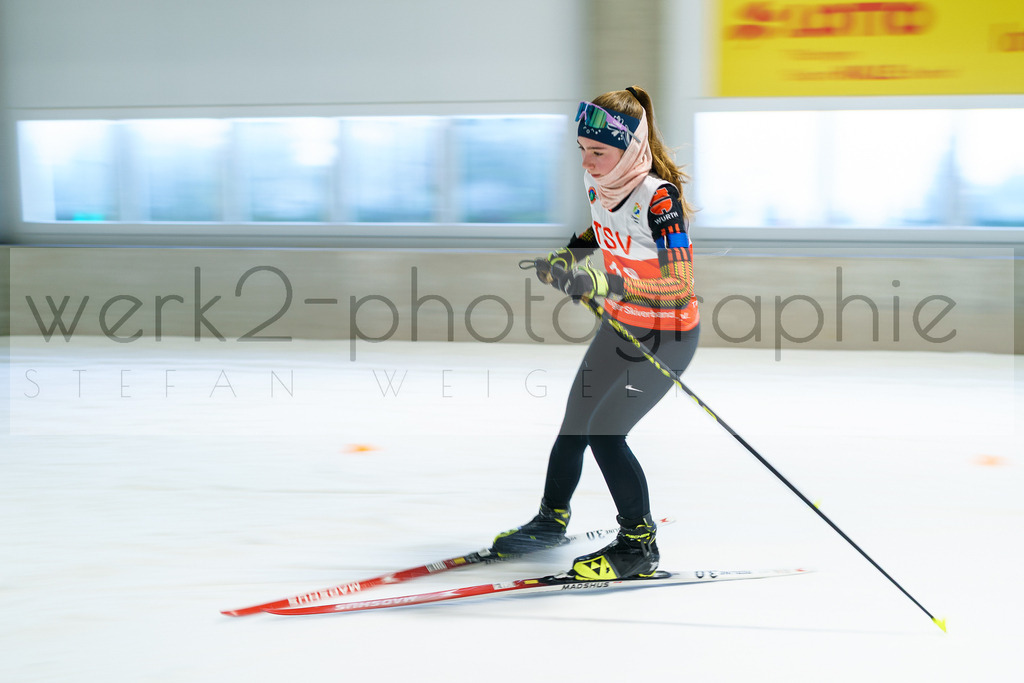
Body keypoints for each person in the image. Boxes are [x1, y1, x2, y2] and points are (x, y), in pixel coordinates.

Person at [492, 86, 700, 580]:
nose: (587, 162)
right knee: (576, 421)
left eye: (598, 152)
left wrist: (610, 282)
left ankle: (638, 546)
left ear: (630, 149)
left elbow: (680, 284)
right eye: (582, 149)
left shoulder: (659, 198)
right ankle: (550, 520)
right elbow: (600, 231)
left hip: (668, 336)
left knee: (606, 431)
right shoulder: (600, 183)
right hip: (622, 324)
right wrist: (568, 257)